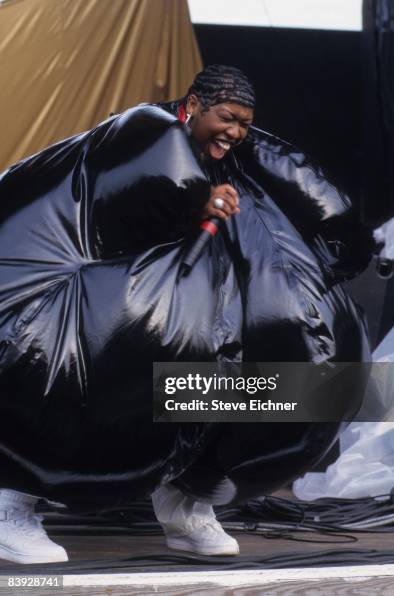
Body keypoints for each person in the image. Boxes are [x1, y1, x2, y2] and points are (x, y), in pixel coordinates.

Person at [0, 65, 374, 562]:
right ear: (194, 105)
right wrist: (199, 198)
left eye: (244, 123)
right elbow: (148, 176)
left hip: (188, 329)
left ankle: (186, 499)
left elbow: (305, 184)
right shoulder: (143, 129)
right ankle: (12, 503)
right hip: (51, 313)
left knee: (279, 370)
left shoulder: (233, 160)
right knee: (77, 367)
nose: (236, 132)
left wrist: (344, 246)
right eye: (227, 117)